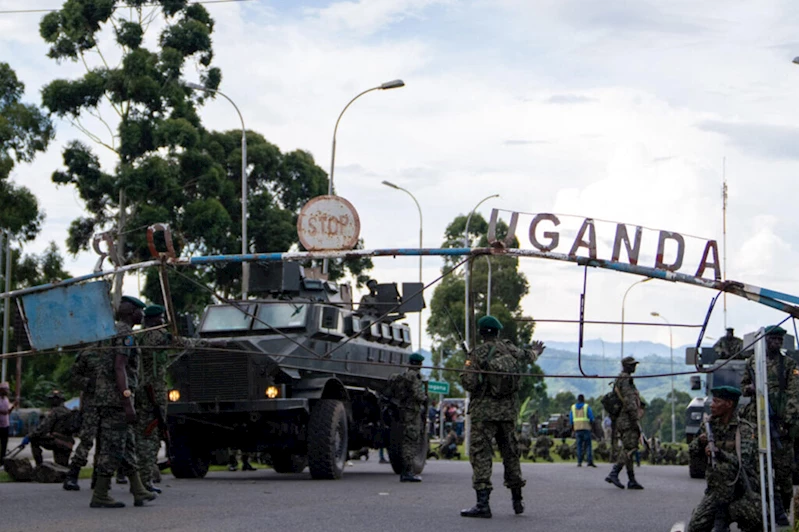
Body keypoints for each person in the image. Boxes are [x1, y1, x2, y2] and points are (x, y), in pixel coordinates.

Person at [459, 315, 545, 518]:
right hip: (507, 412)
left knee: (481, 455)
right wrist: (536, 351)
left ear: (482, 333)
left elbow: (469, 383)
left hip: (484, 413)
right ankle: (517, 500)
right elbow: (528, 356)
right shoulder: (509, 349)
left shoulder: (477, 353)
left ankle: (483, 504)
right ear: (498, 332)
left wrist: (473, 373)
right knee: (510, 454)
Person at [90, 294, 155, 508]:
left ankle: (138, 490)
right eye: (139, 311)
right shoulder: (126, 334)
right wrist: (127, 400)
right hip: (116, 400)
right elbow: (120, 366)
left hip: (107, 397)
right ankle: (100, 494)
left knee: (127, 445)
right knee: (112, 447)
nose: (142, 314)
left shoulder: (110, 331)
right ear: (132, 313)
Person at [740, 325, 799, 523]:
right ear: (766, 340)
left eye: (779, 340)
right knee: (760, 471)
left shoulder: (789, 364)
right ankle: (765, 512)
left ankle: (782, 513)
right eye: (773, 339)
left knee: (784, 473)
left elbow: (794, 394)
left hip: (781, 426)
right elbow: (743, 387)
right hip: (759, 424)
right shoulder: (753, 363)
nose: (776, 343)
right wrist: (750, 387)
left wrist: (787, 419)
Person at [686, 386, 762, 532]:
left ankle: (723, 520)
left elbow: (744, 463)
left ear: (729, 404)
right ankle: (720, 520)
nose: (711, 405)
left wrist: (720, 453)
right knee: (695, 527)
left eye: (716, 401)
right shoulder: (709, 425)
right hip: (716, 492)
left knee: (756, 518)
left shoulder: (744, 429)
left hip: (742, 491)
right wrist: (700, 443)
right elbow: (692, 452)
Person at [63, 344, 103, 490]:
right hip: (91, 403)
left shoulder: (115, 351)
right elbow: (74, 376)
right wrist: (89, 384)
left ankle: (99, 478)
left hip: (109, 403)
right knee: (87, 439)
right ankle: (73, 475)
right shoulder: (87, 354)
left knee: (105, 441)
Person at [382, 352, 427, 482]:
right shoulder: (414, 377)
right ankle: (407, 471)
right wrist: (424, 397)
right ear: (418, 364)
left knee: (406, 439)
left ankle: (406, 471)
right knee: (411, 441)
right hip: (412, 413)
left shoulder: (402, 376)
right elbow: (419, 395)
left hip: (404, 412)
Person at [605, 356, 644, 490]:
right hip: (627, 419)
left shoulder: (619, 379)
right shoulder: (626, 380)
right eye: (632, 365)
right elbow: (629, 402)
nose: (634, 367)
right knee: (630, 447)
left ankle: (631, 479)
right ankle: (614, 472)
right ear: (626, 366)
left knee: (628, 448)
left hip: (622, 419)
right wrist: (635, 420)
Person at [27, 390, 75, 467]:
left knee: (34, 440)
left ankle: (39, 466)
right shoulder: (68, 412)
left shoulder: (54, 412)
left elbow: (43, 428)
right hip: (68, 443)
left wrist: (30, 436)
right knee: (62, 467)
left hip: (57, 441)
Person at [570, 394, 596, 467]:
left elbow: (571, 420)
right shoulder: (586, 407)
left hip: (577, 429)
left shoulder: (573, 407)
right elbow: (591, 418)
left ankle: (579, 462)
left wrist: (572, 428)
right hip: (586, 428)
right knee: (588, 445)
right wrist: (592, 426)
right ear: (583, 399)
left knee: (579, 445)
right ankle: (589, 461)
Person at [0, 381, 15, 462]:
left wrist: (12, 407)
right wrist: (4, 412)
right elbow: (4, 411)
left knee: (4, 443)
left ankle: (2, 459)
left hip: (5, 424)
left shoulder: (6, 399)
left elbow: (8, 412)